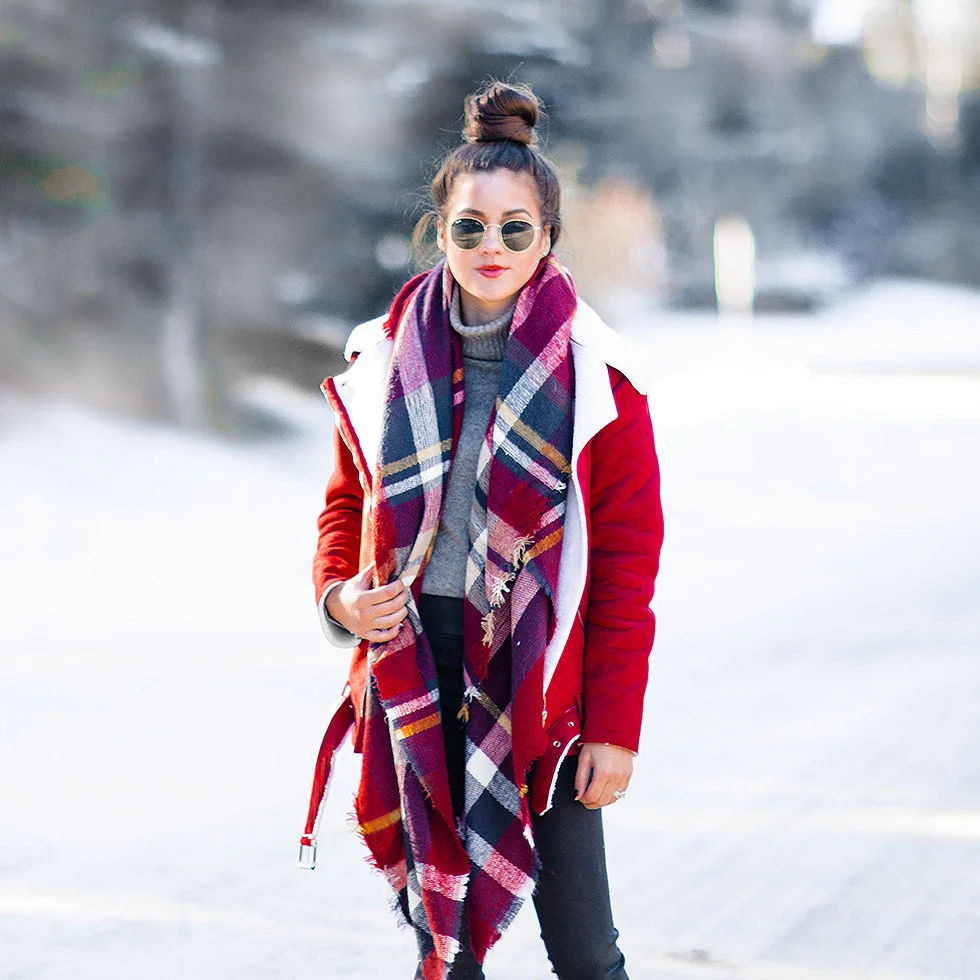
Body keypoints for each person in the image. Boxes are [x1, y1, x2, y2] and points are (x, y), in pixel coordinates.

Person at [299, 81, 664, 980]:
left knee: (585, 952)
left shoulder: (603, 384)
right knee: (443, 949)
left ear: (549, 237)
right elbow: (346, 508)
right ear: (442, 230)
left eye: (516, 228)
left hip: (544, 691)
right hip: (417, 672)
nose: (491, 246)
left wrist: (614, 728)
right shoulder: (383, 360)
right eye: (471, 226)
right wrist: (342, 597)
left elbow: (623, 570)